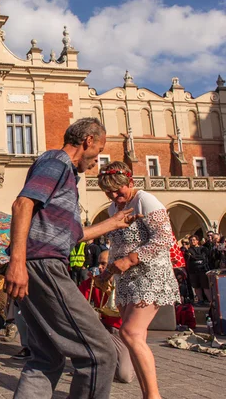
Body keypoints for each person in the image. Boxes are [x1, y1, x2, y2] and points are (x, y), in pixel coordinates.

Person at [5, 118, 140, 399]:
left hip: (37, 264)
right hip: (43, 265)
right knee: (100, 352)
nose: (96, 161)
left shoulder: (66, 176)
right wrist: (17, 263)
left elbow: (73, 235)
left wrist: (114, 223)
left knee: (47, 356)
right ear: (88, 141)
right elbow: (22, 203)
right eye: (99, 149)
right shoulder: (57, 162)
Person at [96, 161, 179, 399]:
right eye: (108, 192)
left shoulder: (145, 200)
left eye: (118, 190)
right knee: (135, 337)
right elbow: (117, 246)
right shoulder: (114, 209)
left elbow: (164, 238)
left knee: (130, 333)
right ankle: (147, 394)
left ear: (130, 183)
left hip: (150, 274)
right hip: (126, 278)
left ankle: (153, 396)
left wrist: (132, 259)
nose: (114, 196)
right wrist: (108, 273)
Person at [79, 250, 135, 384]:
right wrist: (90, 284)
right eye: (99, 263)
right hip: (102, 329)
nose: (99, 267)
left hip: (121, 332)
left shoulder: (128, 283)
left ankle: (133, 356)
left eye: (103, 264)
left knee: (124, 376)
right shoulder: (94, 282)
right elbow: (78, 302)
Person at [185, 235, 211, 305]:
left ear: (197, 241)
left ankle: (210, 301)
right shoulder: (189, 250)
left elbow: (203, 257)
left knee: (205, 286)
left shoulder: (203, 248)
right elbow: (189, 257)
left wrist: (194, 257)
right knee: (196, 286)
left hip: (202, 269)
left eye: (193, 240)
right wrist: (196, 257)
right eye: (190, 240)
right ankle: (200, 300)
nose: (192, 241)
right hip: (193, 271)